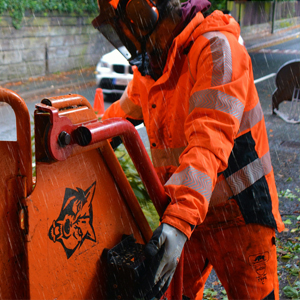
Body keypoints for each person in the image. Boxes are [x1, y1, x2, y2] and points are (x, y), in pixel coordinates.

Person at [92, 0, 284, 299]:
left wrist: (179, 221)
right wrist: (81, 136)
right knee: (176, 293)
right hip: (189, 212)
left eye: (126, 31)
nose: (128, 42)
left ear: (143, 16)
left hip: (240, 215)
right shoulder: (154, 70)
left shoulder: (217, 50)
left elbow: (209, 140)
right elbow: (117, 118)